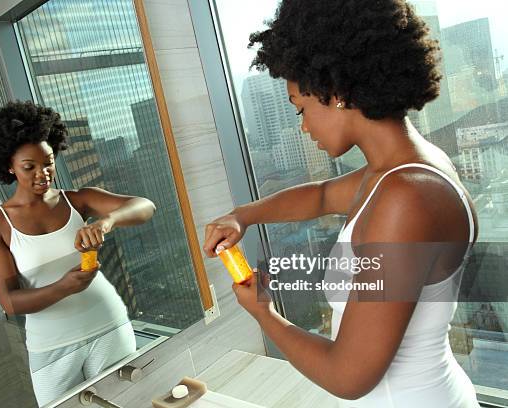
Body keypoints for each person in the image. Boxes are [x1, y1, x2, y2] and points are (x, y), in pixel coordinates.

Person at [203, 0, 480, 407]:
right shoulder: (400, 171)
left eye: (302, 108)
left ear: (334, 92)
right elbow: (321, 195)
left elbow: (348, 377)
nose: (303, 126)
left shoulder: (406, 197)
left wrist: (264, 313)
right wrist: (242, 216)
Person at [0, 101, 156, 406]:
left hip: (108, 325)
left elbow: (145, 206)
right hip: (51, 347)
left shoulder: (77, 200)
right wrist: (64, 287)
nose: (43, 174)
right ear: (9, 165)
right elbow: (9, 301)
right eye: (29, 167)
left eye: (48, 162)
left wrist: (106, 221)